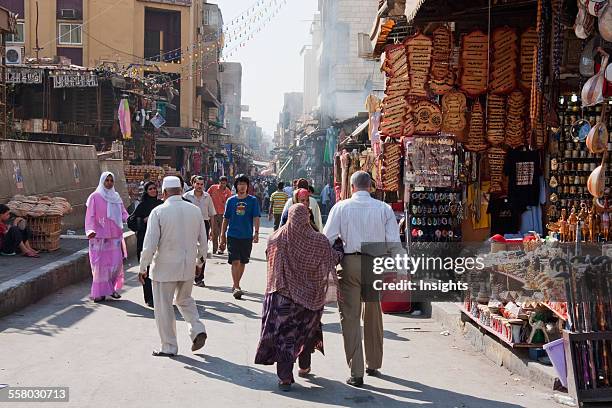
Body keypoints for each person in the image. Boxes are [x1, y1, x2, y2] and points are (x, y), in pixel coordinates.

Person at [323, 171, 402, 387]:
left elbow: (327, 239)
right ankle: (374, 363)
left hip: (350, 263)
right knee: (373, 312)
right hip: (375, 264)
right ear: (371, 186)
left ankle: (356, 372)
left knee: (350, 316)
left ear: (351, 186)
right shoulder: (383, 208)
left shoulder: (341, 207)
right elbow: (394, 242)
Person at [255, 204, 342, 391]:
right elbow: (331, 259)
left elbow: (270, 261)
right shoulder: (319, 240)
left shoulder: (276, 238)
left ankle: (285, 377)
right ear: (307, 218)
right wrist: (341, 251)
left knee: (285, 336)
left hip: (283, 296)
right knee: (307, 330)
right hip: (311, 297)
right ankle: (304, 365)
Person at [139, 176, 208, 357]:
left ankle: (169, 346)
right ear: (180, 190)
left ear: (163, 193)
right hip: (187, 266)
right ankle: (197, 327)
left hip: (164, 268)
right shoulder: (194, 211)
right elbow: (203, 240)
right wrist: (200, 262)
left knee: (163, 307)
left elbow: (150, 243)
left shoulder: (158, 212)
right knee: (185, 300)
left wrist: (142, 267)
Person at [85, 171, 129, 303]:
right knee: (100, 266)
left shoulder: (116, 197)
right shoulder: (95, 197)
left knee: (115, 264)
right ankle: (99, 293)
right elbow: (90, 216)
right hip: (99, 237)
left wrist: (132, 221)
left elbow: (123, 213)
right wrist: (90, 230)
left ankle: (112, 289)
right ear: (102, 181)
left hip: (115, 236)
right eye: (107, 180)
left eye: (111, 181)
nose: (109, 183)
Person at [219, 174, 261, 300]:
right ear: (236, 186)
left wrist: (257, 233)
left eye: (244, 184)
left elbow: (256, 217)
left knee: (243, 262)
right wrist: (222, 236)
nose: (242, 186)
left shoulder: (253, 201)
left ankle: (236, 283)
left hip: (247, 236)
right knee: (235, 261)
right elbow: (225, 219)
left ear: (247, 186)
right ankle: (237, 286)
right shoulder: (231, 201)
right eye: (239, 184)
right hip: (232, 235)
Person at [128, 181, 163, 308]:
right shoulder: (142, 206)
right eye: (150, 189)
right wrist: (143, 221)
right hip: (144, 241)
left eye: (154, 189)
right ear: (147, 191)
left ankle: (160, 296)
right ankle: (149, 297)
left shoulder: (161, 204)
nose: (153, 191)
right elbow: (131, 221)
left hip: (159, 241)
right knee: (146, 269)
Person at [184, 176, 217, 287]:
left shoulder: (207, 197)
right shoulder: (186, 196)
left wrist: (212, 230)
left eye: (201, 184)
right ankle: (189, 275)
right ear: (193, 184)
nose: (199, 186)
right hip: (189, 225)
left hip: (204, 224)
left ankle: (200, 277)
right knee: (189, 250)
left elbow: (212, 214)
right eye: (197, 184)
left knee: (202, 250)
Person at [208, 176, 232, 254]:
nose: (222, 185)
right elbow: (207, 196)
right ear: (219, 182)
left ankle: (221, 248)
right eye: (221, 183)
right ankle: (214, 249)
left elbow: (230, 204)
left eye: (224, 183)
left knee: (223, 232)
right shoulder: (213, 188)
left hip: (223, 215)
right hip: (214, 214)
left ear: (226, 183)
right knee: (215, 232)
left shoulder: (228, 192)